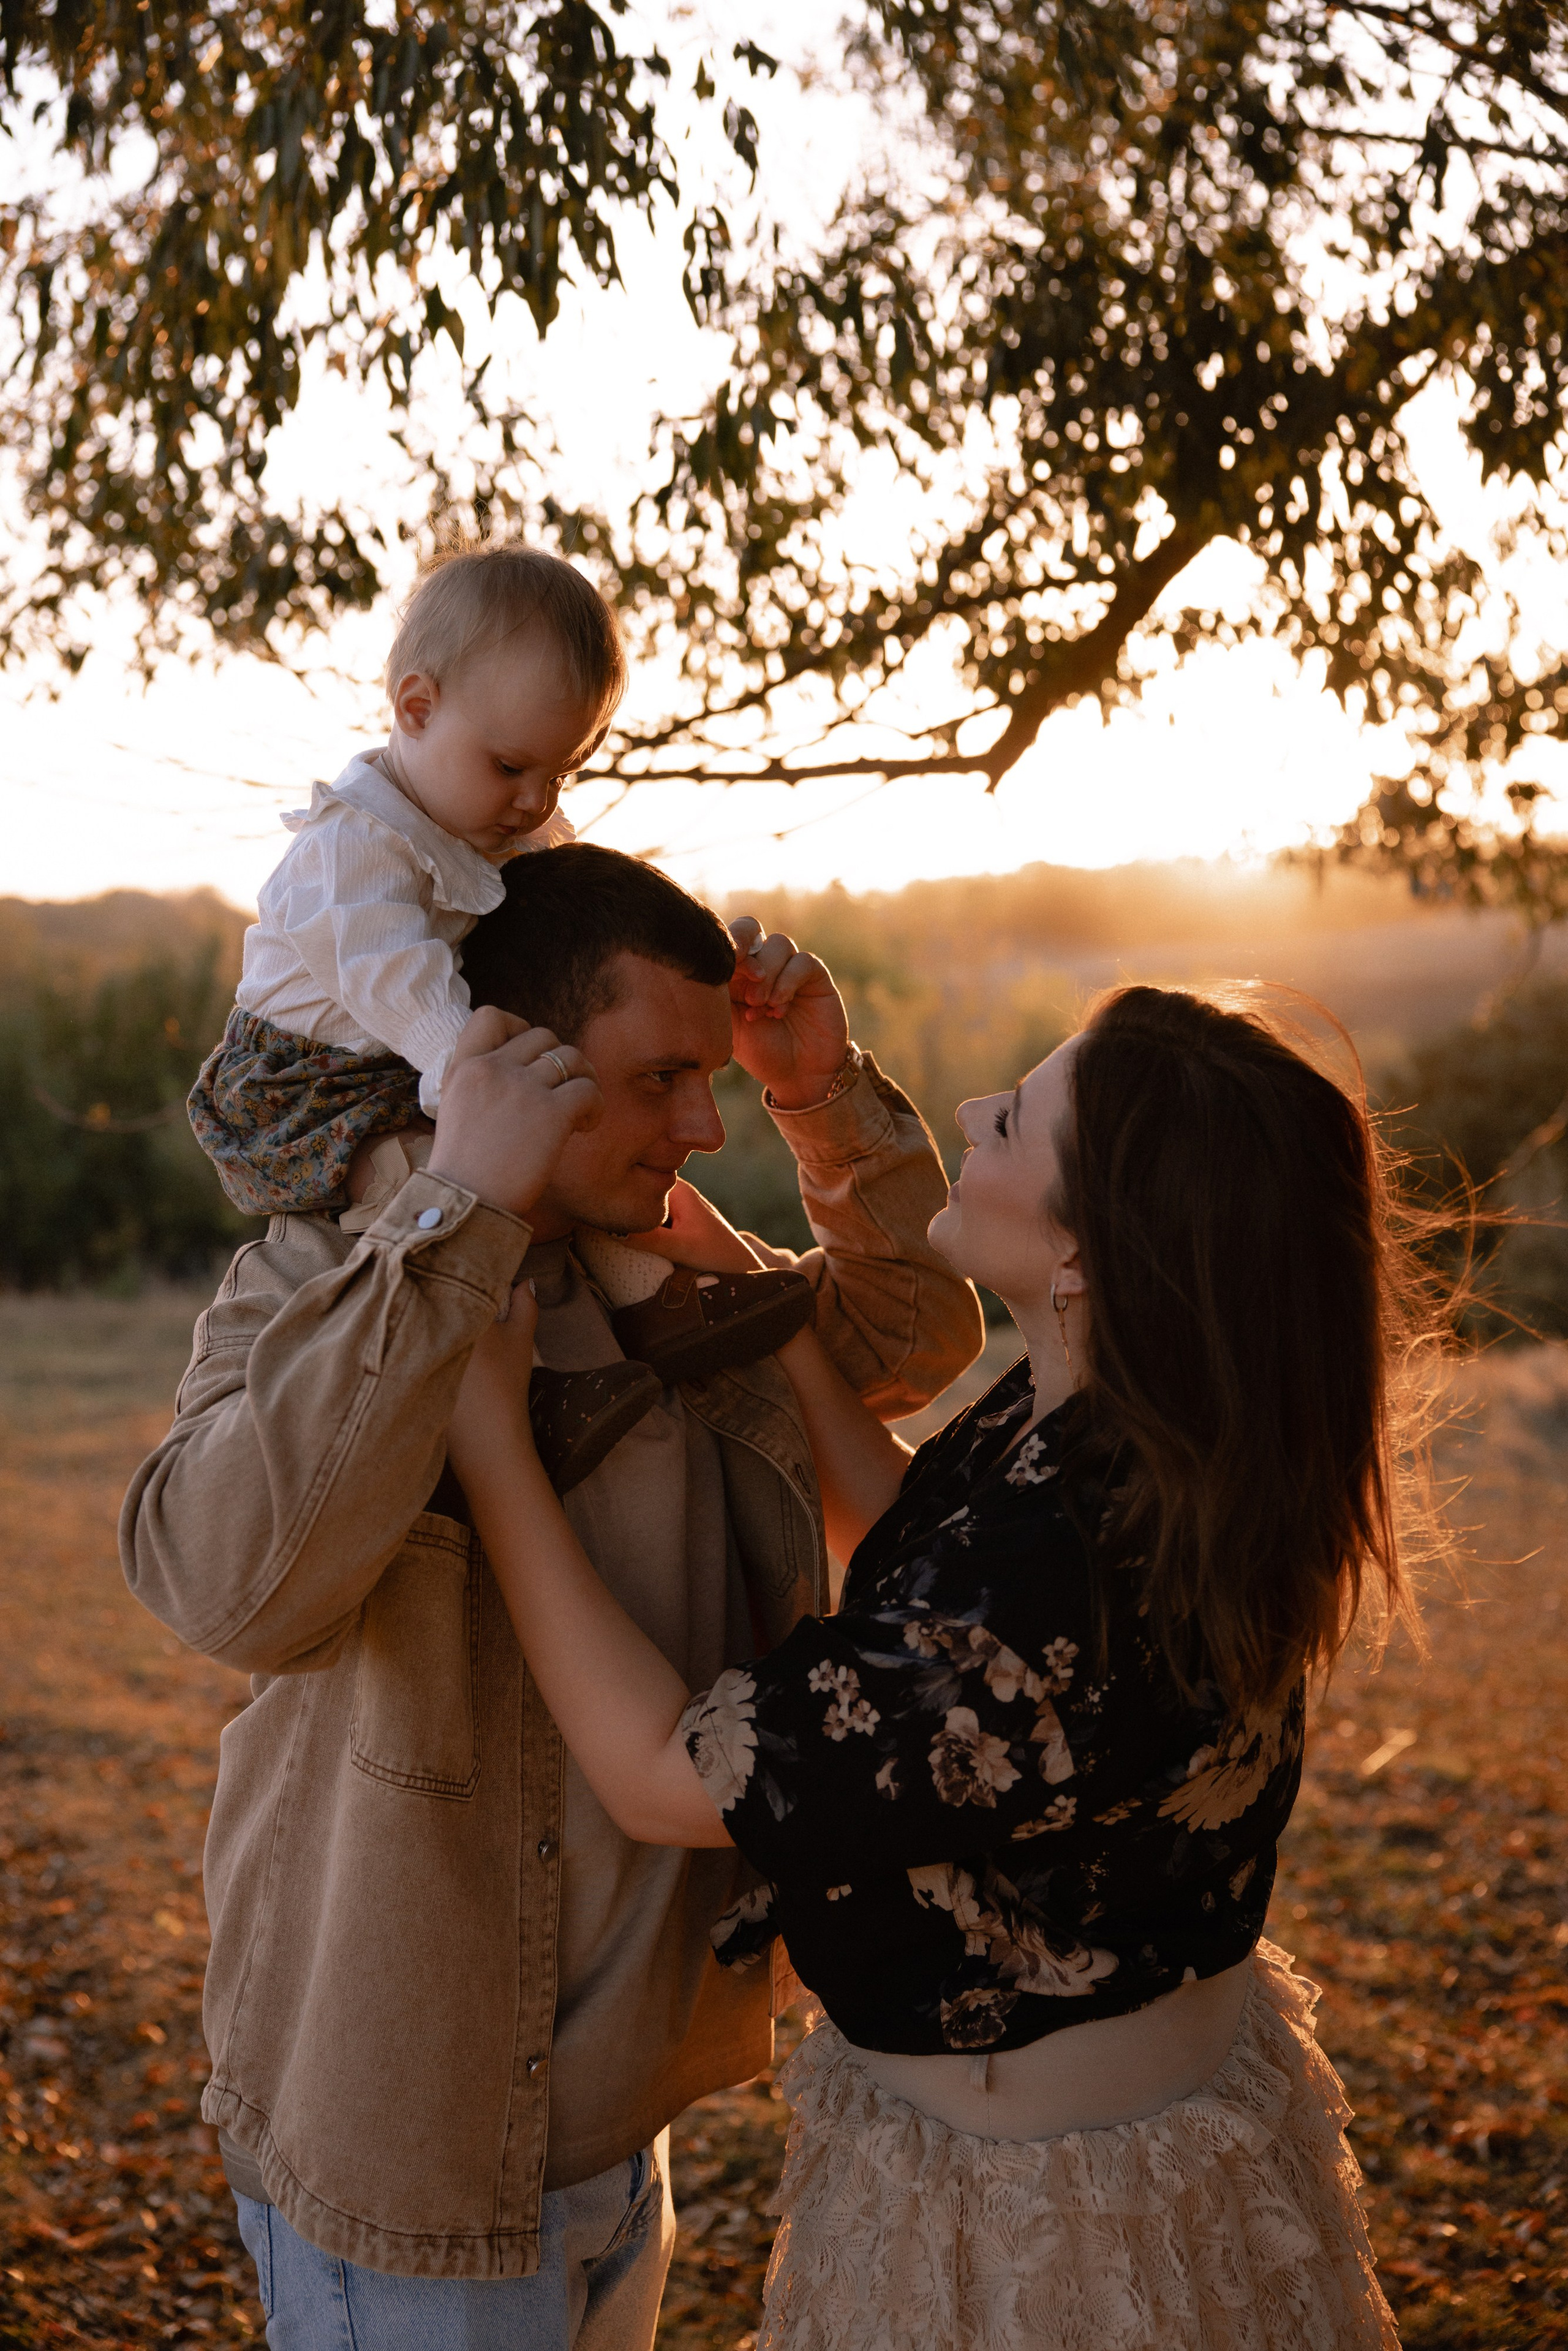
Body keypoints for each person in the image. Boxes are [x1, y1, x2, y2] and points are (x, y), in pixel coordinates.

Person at [446, 983, 1420, 2351]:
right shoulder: (1146, 1426)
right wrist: (759, 1296)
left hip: (1050, 2228)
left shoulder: (1058, 1576)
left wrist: (491, 1446)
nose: (970, 1109)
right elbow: (918, 1538)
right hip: (1137, 2125)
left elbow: (669, 1773)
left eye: (1013, 1118)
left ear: (1086, 1252)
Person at [120, 843, 982, 2349]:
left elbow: (908, 1344)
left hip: (610, 2124)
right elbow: (219, 1586)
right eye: (660, 1080)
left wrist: (817, 1092)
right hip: (404, 2133)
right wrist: (455, 1212)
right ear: (511, 1058)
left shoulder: (665, 1283)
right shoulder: (327, 1273)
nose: (703, 1129)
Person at [187, 541, 815, 1488]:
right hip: (305, 1087)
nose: (535, 801)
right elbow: (405, 985)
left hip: (415, 1061)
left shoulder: (494, 818)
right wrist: (479, 1092)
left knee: (560, 1141)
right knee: (445, 1173)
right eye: (513, 766)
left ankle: (663, 1304)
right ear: (416, 708)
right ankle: (520, 1386)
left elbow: (584, 915)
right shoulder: (350, 850)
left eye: (560, 773)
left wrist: (695, 969)